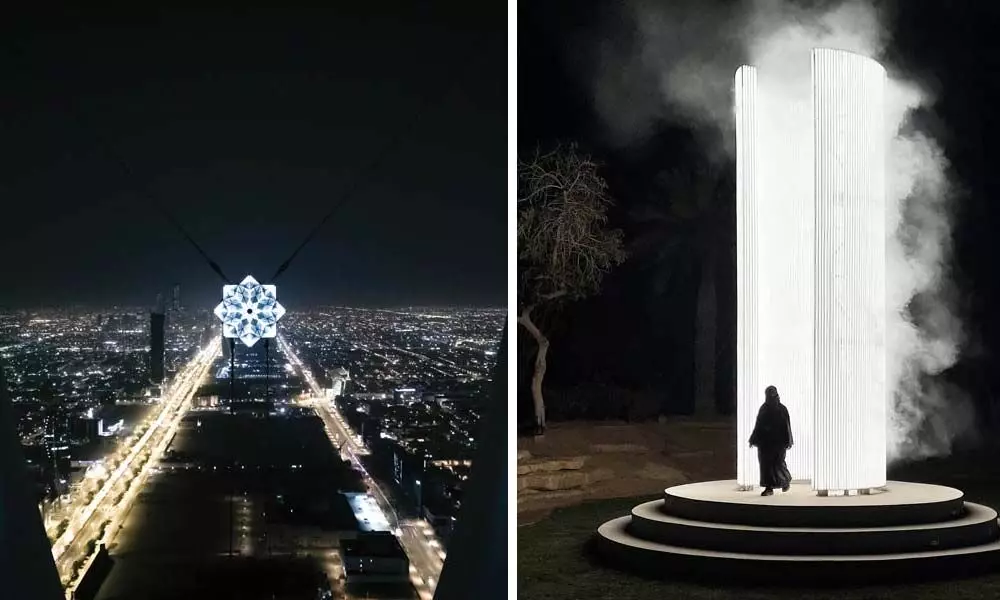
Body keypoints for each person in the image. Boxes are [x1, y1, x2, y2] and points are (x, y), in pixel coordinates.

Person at [748, 385, 793, 496]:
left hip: (778, 443)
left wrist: (788, 441)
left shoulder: (781, 409)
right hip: (765, 444)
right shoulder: (764, 408)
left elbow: (786, 426)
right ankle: (769, 488)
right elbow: (758, 425)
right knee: (766, 466)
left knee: (778, 463)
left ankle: (785, 480)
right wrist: (753, 439)